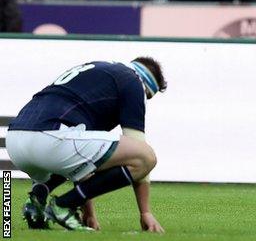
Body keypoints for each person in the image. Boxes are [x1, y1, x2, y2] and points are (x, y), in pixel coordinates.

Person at [7, 58, 167, 232]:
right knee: (146, 157)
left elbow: (84, 163)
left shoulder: (99, 70)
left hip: (16, 141)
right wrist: (145, 212)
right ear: (146, 85)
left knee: (84, 153)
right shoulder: (133, 81)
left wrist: (89, 214)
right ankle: (62, 206)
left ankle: (37, 200)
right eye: (147, 96)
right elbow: (139, 148)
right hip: (51, 140)